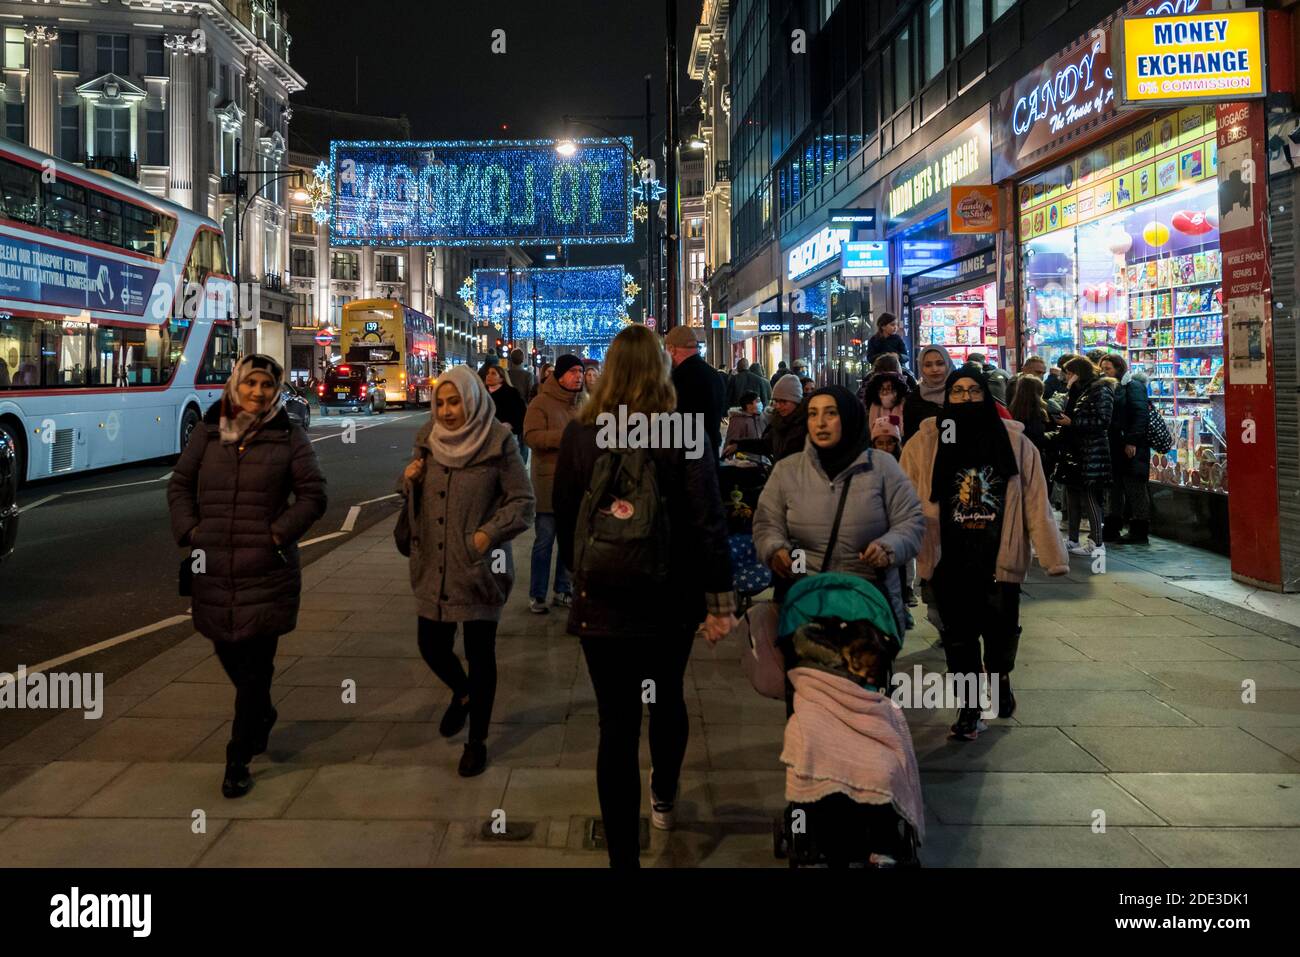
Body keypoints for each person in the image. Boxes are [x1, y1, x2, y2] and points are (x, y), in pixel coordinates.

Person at [553, 324, 736, 868]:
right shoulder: (684, 431)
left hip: (603, 601)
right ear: (661, 370)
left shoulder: (582, 433)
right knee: (667, 698)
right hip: (669, 598)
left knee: (615, 724)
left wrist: (583, 574)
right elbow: (709, 519)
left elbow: (565, 516)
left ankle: (623, 861)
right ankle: (664, 794)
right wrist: (719, 597)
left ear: (607, 372)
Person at [167, 354, 327, 798]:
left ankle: (236, 759)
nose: (258, 392)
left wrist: (277, 534)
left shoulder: (289, 436)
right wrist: (190, 530)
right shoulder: (209, 431)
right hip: (214, 568)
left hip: (265, 571)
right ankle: (263, 712)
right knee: (227, 651)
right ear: (237, 384)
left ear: (277, 392)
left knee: (256, 666)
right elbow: (179, 483)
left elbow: (314, 495)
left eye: (267, 386)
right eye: (252, 383)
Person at [899, 364, 1069, 740]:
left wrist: (1052, 556)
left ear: (986, 396)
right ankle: (969, 709)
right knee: (958, 639)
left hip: (998, 557)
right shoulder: (925, 443)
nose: (965, 399)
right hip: (948, 559)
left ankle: (1001, 677)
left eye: (973, 392)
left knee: (999, 634)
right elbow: (903, 500)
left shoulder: (1015, 443)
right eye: (957, 392)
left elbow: (1036, 502)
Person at [752, 385, 925, 709]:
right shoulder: (788, 471)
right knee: (807, 708)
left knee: (862, 708)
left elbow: (911, 521)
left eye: (830, 414)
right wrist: (775, 549)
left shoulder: (882, 468)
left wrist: (888, 546)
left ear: (848, 418)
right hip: (806, 603)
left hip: (866, 606)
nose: (820, 422)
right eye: (813, 414)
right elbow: (767, 522)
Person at [400, 367, 535, 777]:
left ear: (473, 400)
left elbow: (522, 502)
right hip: (433, 566)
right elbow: (416, 500)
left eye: (454, 401)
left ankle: (477, 740)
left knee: (481, 654)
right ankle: (462, 693)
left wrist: (485, 536)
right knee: (431, 645)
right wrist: (407, 480)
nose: (446, 410)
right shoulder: (427, 440)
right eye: (440, 402)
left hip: (479, 567)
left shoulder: (498, 442)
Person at [523, 353, 583, 613]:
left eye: (580, 372)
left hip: (575, 483)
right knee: (545, 540)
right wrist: (566, 437)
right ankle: (537, 594)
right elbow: (531, 436)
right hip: (549, 483)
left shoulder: (583, 403)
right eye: (573, 372)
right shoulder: (541, 403)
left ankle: (563, 589)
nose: (578, 376)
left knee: (569, 542)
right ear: (559, 375)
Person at [1053, 356, 1114, 557]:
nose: (1067, 377)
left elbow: (1102, 421)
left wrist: (1073, 423)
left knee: (1089, 496)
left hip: (1091, 451)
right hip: (1074, 449)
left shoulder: (1100, 389)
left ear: (1079, 372)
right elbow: (1065, 408)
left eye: (1070, 373)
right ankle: (1072, 539)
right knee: (1072, 495)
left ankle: (1097, 542)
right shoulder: (1078, 390)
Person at [1099, 352, 1151, 545]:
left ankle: (1139, 529)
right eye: (1102, 369)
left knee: (1135, 487)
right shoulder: (1108, 388)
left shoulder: (1133, 386)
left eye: (1108, 369)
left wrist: (1132, 441)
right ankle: (1113, 527)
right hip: (1114, 446)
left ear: (1119, 369)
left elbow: (1140, 415)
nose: (1105, 373)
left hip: (1131, 447)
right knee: (1114, 488)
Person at [664, 325, 726, 458]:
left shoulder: (677, 378)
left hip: (688, 459)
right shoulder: (714, 375)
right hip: (710, 454)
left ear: (672, 349)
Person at [726, 373, 807, 463]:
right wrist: (738, 445)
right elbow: (767, 444)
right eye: (776, 401)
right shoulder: (778, 421)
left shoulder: (805, 425)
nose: (778, 406)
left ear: (796, 401)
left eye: (784, 401)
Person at [1008, 373, 1058, 492]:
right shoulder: (1040, 411)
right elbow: (1038, 437)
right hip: (1038, 459)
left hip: (1018, 458)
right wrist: (1055, 435)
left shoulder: (1011, 410)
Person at [905, 345, 954, 443]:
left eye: (940, 364)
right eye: (928, 365)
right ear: (921, 368)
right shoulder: (914, 399)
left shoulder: (960, 392)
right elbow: (910, 438)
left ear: (948, 364)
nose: (934, 369)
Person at [479, 363, 526, 447]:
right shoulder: (481, 393)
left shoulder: (511, 393)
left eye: (493, 373)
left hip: (505, 437)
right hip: (484, 437)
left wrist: (511, 425)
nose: (488, 376)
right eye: (488, 373)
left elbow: (521, 414)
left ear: (501, 378)